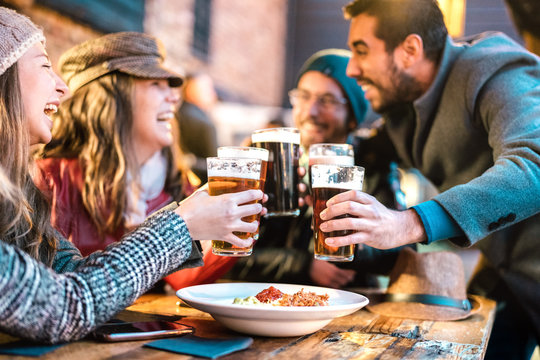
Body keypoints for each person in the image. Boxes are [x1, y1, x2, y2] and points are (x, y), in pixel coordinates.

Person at [0, 6, 263, 343]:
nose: (62, 88)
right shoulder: (49, 180)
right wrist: (181, 224)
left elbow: (81, 278)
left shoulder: (18, 191)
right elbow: (65, 306)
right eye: (45, 65)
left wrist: (208, 224)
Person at [318, 1, 540, 358]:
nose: (352, 68)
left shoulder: (494, 69)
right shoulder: (404, 104)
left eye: (361, 50)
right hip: (506, 274)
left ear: (410, 50)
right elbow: (367, 152)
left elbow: (534, 166)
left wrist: (408, 223)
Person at [223, 49, 406, 289]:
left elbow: (400, 252)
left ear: (352, 117)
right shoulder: (269, 162)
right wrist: (301, 265)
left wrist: (352, 249)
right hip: (268, 306)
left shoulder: (371, 165)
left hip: (345, 311)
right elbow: (225, 254)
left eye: (327, 100)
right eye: (304, 96)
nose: (310, 111)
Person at [34, 32, 201, 258]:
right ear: (112, 101)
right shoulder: (49, 182)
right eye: (155, 84)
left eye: (169, 86)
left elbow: (187, 278)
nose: (173, 97)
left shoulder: (180, 183)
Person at [176, 72, 219, 183]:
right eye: (208, 89)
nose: (214, 94)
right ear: (191, 90)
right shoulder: (204, 123)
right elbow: (215, 166)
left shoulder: (175, 114)